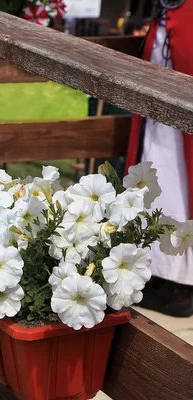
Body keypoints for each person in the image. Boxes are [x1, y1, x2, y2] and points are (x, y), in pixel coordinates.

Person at [126, 0, 193, 318]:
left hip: (181, 127)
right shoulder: (174, 12)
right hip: (158, 124)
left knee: (177, 187)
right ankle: (155, 273)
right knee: (155, 183)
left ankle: (180, 283)